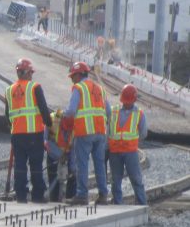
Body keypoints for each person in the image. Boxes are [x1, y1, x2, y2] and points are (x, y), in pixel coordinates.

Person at [5, 58, 52, 203]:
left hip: (17, 135)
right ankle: (37, 195)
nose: (31, 75)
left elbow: (7, 115)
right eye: (31, 72)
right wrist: (49, 125)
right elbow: (44, 110)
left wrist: (14, 127)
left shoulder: (9, 90)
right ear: (27, 73)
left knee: (19, 165)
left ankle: (21, 195)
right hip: (34, 134)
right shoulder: (35, 87)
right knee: (36, 164)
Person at [63, 61, 110, 205]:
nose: (72, 79)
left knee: (82, 163)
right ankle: (103, 195)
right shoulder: (100, 89)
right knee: (100, 164)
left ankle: (82, 195)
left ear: (78, 74)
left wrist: (62, 114)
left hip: (84, 131)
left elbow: (71, 111)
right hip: (100, 131)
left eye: (72, 76)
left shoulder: (79, 88)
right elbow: (108, 111)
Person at [108, 84, 147, 205]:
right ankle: (117, 203)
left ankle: (141, 203)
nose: (126, 103)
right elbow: (108, 129)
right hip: (115, 151)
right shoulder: (113, 111)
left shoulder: (139, 114)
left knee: (135, 179)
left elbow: (143, 133)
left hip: (130, 151)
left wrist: (132, 142)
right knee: (116, 180)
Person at [44, 109, 76, 202]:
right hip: (53, 152)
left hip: (68, 153)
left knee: (73, 176)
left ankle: (70, 199)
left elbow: (74, 148)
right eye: (65, 129)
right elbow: (45, 140)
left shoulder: (76, 126)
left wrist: (73, 168)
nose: (67, 132)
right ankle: (54, 200)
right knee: (53, 177)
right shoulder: (53, 119)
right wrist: (59, 154)